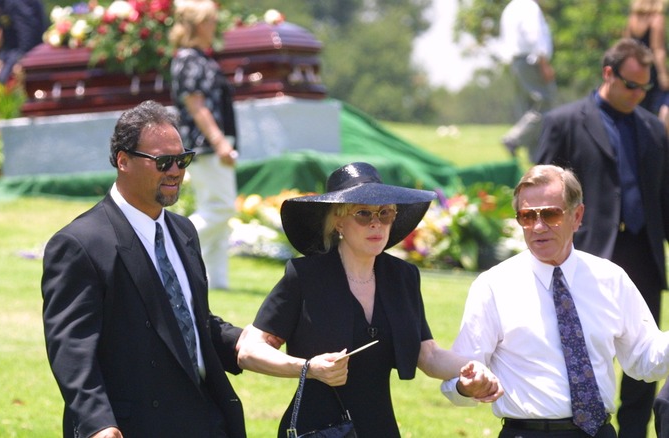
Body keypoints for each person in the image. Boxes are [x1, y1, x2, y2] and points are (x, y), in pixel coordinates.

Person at [237, 162, 503, 438]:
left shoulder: (403, 276)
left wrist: (472, 370)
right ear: (338, 220)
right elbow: (250, 351)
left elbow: (428, 354)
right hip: (317, 430)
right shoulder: (304, 276)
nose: (376, 223)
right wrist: (308, 368)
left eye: (385, 213)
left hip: (380, 427)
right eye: (363, 214)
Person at [42, 100, 247, 438]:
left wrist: (245, 342)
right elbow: (72, 348)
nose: (176, 171)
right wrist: (97, 423)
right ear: (123, 161)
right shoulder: (80, 244)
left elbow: (189, 320)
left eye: (182, 160)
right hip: (132, 426)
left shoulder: (184, 232)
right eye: (164, 162)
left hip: (205, 419)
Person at [441, 164, 669, 438]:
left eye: (550, 214)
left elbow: (644, 359)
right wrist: (466, 386)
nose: (538, 226)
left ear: (577, 216)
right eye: (527, 216)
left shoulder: (610, 278)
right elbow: (459, 374)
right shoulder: (494, 286)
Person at [535, 37, 669, 438]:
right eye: (631, 85)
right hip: (585, 255)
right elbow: (539, 191)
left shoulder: (653, 130)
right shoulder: (564, 121)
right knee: (585, 352)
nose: (638, 95)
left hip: (642, 253)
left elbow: (664, 196)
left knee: (643, 353)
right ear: (608, 73)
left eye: (645, 88)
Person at [170, 0, 238, 290]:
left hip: (210, 143)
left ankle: (215, 282)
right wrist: (220, 141)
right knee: (222, 208)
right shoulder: (189, 59)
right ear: (199, 24)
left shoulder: (199, 58)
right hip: (206, 145)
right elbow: (196, 106)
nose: (215, 27)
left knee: (216, 214)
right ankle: (174, 251)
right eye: (211, 21)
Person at [499, 0, 557, 158]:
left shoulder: (511, 7)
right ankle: (513, 139)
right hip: (531, 61)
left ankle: (536, 157)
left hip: (517, 62)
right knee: (544, 104)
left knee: (527, 109)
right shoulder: (529, 6)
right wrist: (544, 63)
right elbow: (534, 35)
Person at [624, 0, 669, 134]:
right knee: (663, 106)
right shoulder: (656, 18)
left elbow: (626, 45)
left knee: (638, 109)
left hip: (634, 71)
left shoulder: (633, 18)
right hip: (651, 72)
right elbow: (658, 49)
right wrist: (663, 75)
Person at [0, 0, 45, 85]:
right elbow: (9, 36)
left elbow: (28, 37)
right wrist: (1, 58)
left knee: (2, 82)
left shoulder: (18, 2)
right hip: (15, 50)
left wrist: (20, 61)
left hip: (32, 53)